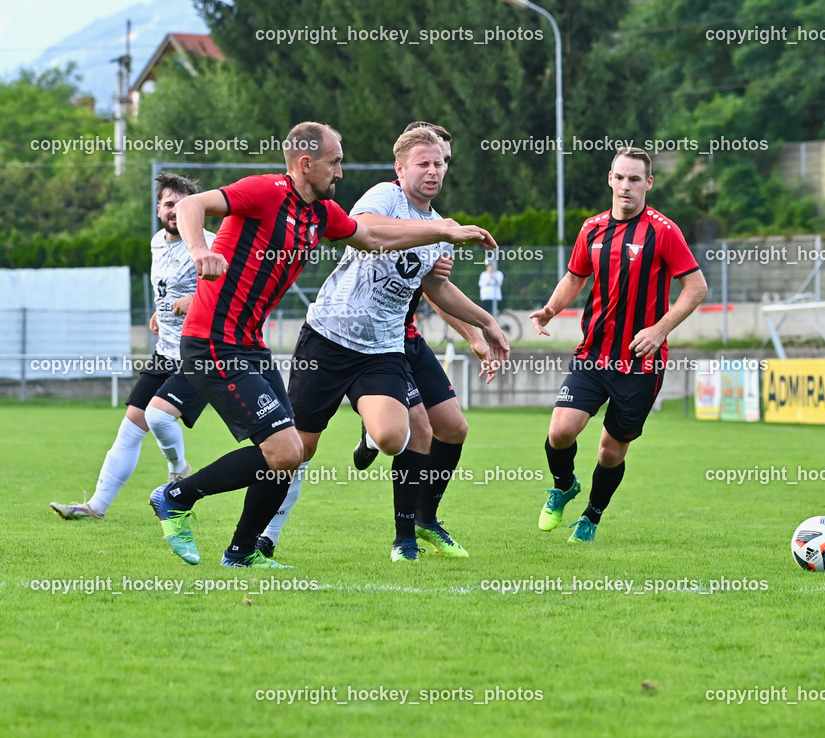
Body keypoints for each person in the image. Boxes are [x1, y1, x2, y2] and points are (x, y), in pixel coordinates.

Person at [148, 121, 498, 568]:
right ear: (306, 163)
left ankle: (240, 552)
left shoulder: (322, 213)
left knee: (290, 451)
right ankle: (177, 496)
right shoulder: (266, 190)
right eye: (335, 162)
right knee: (286, 450)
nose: (341, 172)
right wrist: (199, 251)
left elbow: (369, 238)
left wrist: (443, 233)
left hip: (251, 345)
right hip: (213, 340)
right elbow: (193, 204)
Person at [261, 126, 508, 564]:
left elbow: (437, 289)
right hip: (328, 337)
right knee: (299, 448)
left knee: (400, 436)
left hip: (384, 347)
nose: (433, 171)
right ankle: (264, 536)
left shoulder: (438, 227)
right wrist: (441, 233)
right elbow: (367, 229)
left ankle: (409, 534)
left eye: (440, 164)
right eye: (424, 164)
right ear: (400, 169)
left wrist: (485, 324)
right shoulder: (384, 198)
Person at [529, 147, 707, 543]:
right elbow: (575, 277)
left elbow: (696, 287)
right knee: (560, 431)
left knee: (611, 452)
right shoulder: (591, 229)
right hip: (593, 354)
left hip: (641, 363)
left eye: (635, 179)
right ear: (610, 178)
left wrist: (660, 329)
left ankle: (591, 517)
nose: (626, 186)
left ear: (648, 183)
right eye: (620, 177)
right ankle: (563, 486)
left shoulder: (663, 230)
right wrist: (551, 310)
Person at [50, 172, 213, 520]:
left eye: (185, 205)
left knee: (158, 417)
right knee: (130, 427)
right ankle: (95, 507)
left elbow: (232, 290)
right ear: (159, 209)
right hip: (166, 352)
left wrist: (193, 300)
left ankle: (179, 469)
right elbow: (169, 285)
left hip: (202, 353)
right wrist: (160, 310)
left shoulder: (209, 243)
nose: (176, 211)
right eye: (170, 204)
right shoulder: (157, 243)